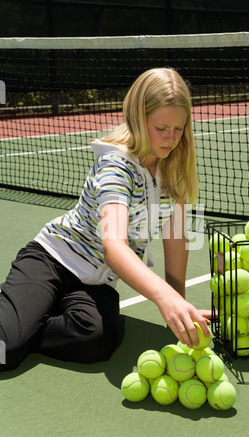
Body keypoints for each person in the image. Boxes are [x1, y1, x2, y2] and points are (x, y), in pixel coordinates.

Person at [0, 67, 211, 371]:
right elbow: (114, 247)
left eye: (178, 129)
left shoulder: (174, 170)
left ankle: (28, 318)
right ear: (139, 118)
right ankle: (19, 322)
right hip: (53, 258)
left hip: (96, 282)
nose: (171, 138)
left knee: (97, 341)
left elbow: (176, 237)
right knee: (7, 348)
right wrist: (164, 299)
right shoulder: (115, 164)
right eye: (161, 127)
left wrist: (180, 306)